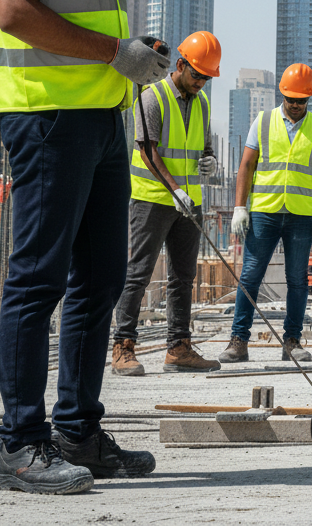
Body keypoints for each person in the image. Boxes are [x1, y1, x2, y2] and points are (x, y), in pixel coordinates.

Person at [0, 0, 170, 494]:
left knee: (98, 279)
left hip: (98, 119)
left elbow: (85, 25)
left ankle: (77, 431)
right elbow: (14, 12)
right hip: (47, 118)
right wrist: (114, 53)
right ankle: (19, 445)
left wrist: (132, 53)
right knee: (37, 279)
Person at [112, 32, 223, 375]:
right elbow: (147, 151)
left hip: (190, 203)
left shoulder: (202, 104)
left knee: (183, 277)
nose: (200, 82)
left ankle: (179, 348)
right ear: (180, 65)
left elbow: (204, 148)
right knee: (139, 273)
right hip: (153, 200)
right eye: (197, 75)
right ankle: (123, 346)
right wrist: (175, 191)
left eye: (206, 78)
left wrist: (210, 162)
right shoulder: (152, 96)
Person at [219, 63, 312, 364]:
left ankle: (292, 342)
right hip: (264, 213)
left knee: (298, 279)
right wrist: (240, 207)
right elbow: (246, 164)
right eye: (291, 99)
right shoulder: (263, 121)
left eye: (301, 100)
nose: (295, 105)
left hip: (300, 215)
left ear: (309, 97)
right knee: (250, 275)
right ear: (282, 94)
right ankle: (238, 341)